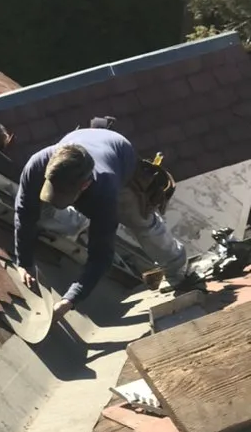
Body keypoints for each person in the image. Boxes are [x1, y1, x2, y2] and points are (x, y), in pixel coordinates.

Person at [14, 128, 190, 323]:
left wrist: (70, 300)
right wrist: (24, 262)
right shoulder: (38, 164)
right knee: (40, 213)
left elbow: (101, 257)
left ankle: (177, 267)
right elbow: (24, 213)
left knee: (140, 222)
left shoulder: (106, 190)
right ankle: (82, 223)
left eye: (65, 195)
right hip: (87, 143)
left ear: (84, 186)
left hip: (121, 159)